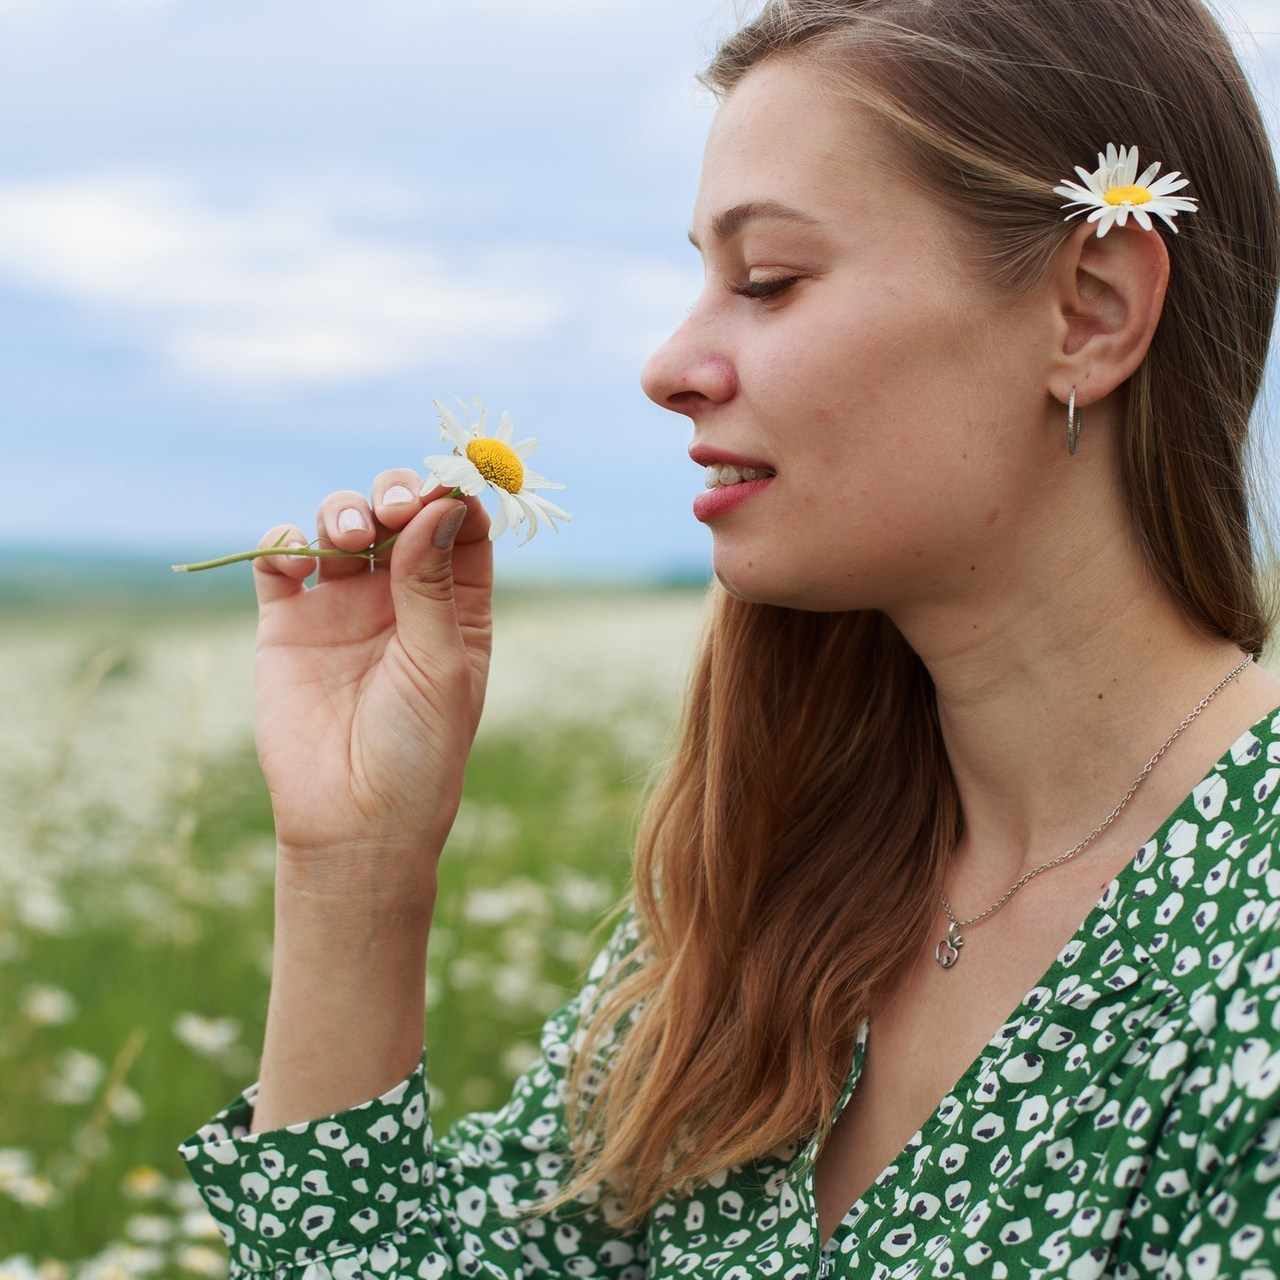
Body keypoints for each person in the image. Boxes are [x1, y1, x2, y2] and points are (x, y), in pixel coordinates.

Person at [180, 0, 1280, 1274]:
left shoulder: (1247, 944)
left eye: (767, 280)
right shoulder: (771, 886)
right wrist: (352, 862)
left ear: (1087, 311)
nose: (669, 363)